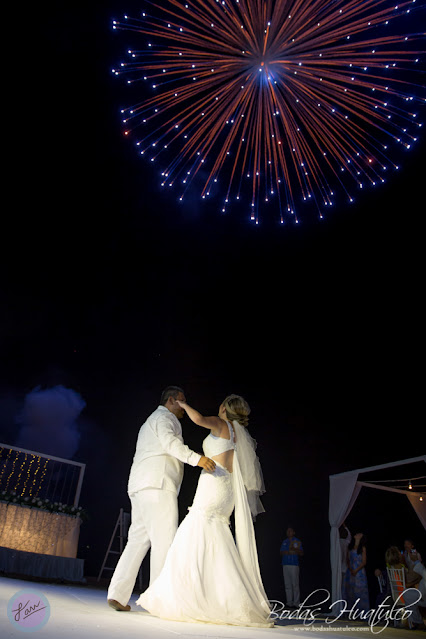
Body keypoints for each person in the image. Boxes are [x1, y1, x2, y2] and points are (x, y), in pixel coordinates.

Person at [136, 394, 273, 627]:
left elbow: (198, 419)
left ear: (224, 408)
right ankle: (222, 596)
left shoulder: (222, 424)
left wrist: (182, 404)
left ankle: (192, 595)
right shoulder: (237, 434)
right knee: (215, 536)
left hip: (214, 483)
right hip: (226, 487)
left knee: (194, 530)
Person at [107, 386, 216, 611]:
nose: (185, 407)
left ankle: (117, 594)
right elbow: (171, 444)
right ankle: (159, 601)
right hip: (158, 484)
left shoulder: (150, 420)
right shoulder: (165, 418)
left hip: (140, 486)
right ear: (172, 400)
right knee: (164, 541)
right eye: (182, 401)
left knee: (137, 541)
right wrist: (197, 459)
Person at [344, 532, 369, 613]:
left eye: (360, 534)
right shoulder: (350, 547)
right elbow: (347, 559)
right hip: (350, 571)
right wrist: (351, 569)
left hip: (359, 572)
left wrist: (356, 570)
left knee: (360, 592)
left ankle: (361, 613)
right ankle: (350, 612)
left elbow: (364, 562)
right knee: (350, 592)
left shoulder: (362, 548)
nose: (357, 534)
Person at [280, 526, 304, 608]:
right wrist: (290, 551)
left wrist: (294, 550)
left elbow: (301, 553)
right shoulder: (285, 541)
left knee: (295, 584)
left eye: (290, 531)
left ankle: (296, 603)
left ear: (293, 532)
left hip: (294, 565)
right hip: (285, 564)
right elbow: (282, 552)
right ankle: (289, 602)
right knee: (287, 584)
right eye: (287, 531)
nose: (288, 532)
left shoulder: (297, 541)